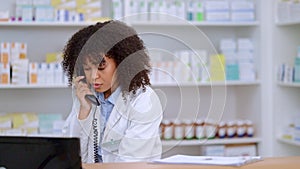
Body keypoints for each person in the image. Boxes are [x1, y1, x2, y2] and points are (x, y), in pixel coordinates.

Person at [62, 20, 163, 163]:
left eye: (101, 67)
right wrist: (84, 113)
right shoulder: (86, 95)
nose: (93, 76)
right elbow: (71, 155)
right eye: (88, 68)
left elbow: (129, 162)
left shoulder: (144, 100)